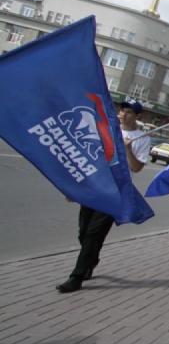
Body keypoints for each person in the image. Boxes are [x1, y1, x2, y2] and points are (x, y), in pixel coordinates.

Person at [56, 98, 150, 293]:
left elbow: (136, 167)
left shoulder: (142, 138)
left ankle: (76, 277)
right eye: (122, 110)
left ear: (138, 116)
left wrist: (127, 149)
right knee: (84, 232)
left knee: (94, 233)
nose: (123, 114)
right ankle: (90, 260)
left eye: (129, 112)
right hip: (96, 186)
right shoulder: (106, 128)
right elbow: (90, 158)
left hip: (116, 191)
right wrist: (74, 189)